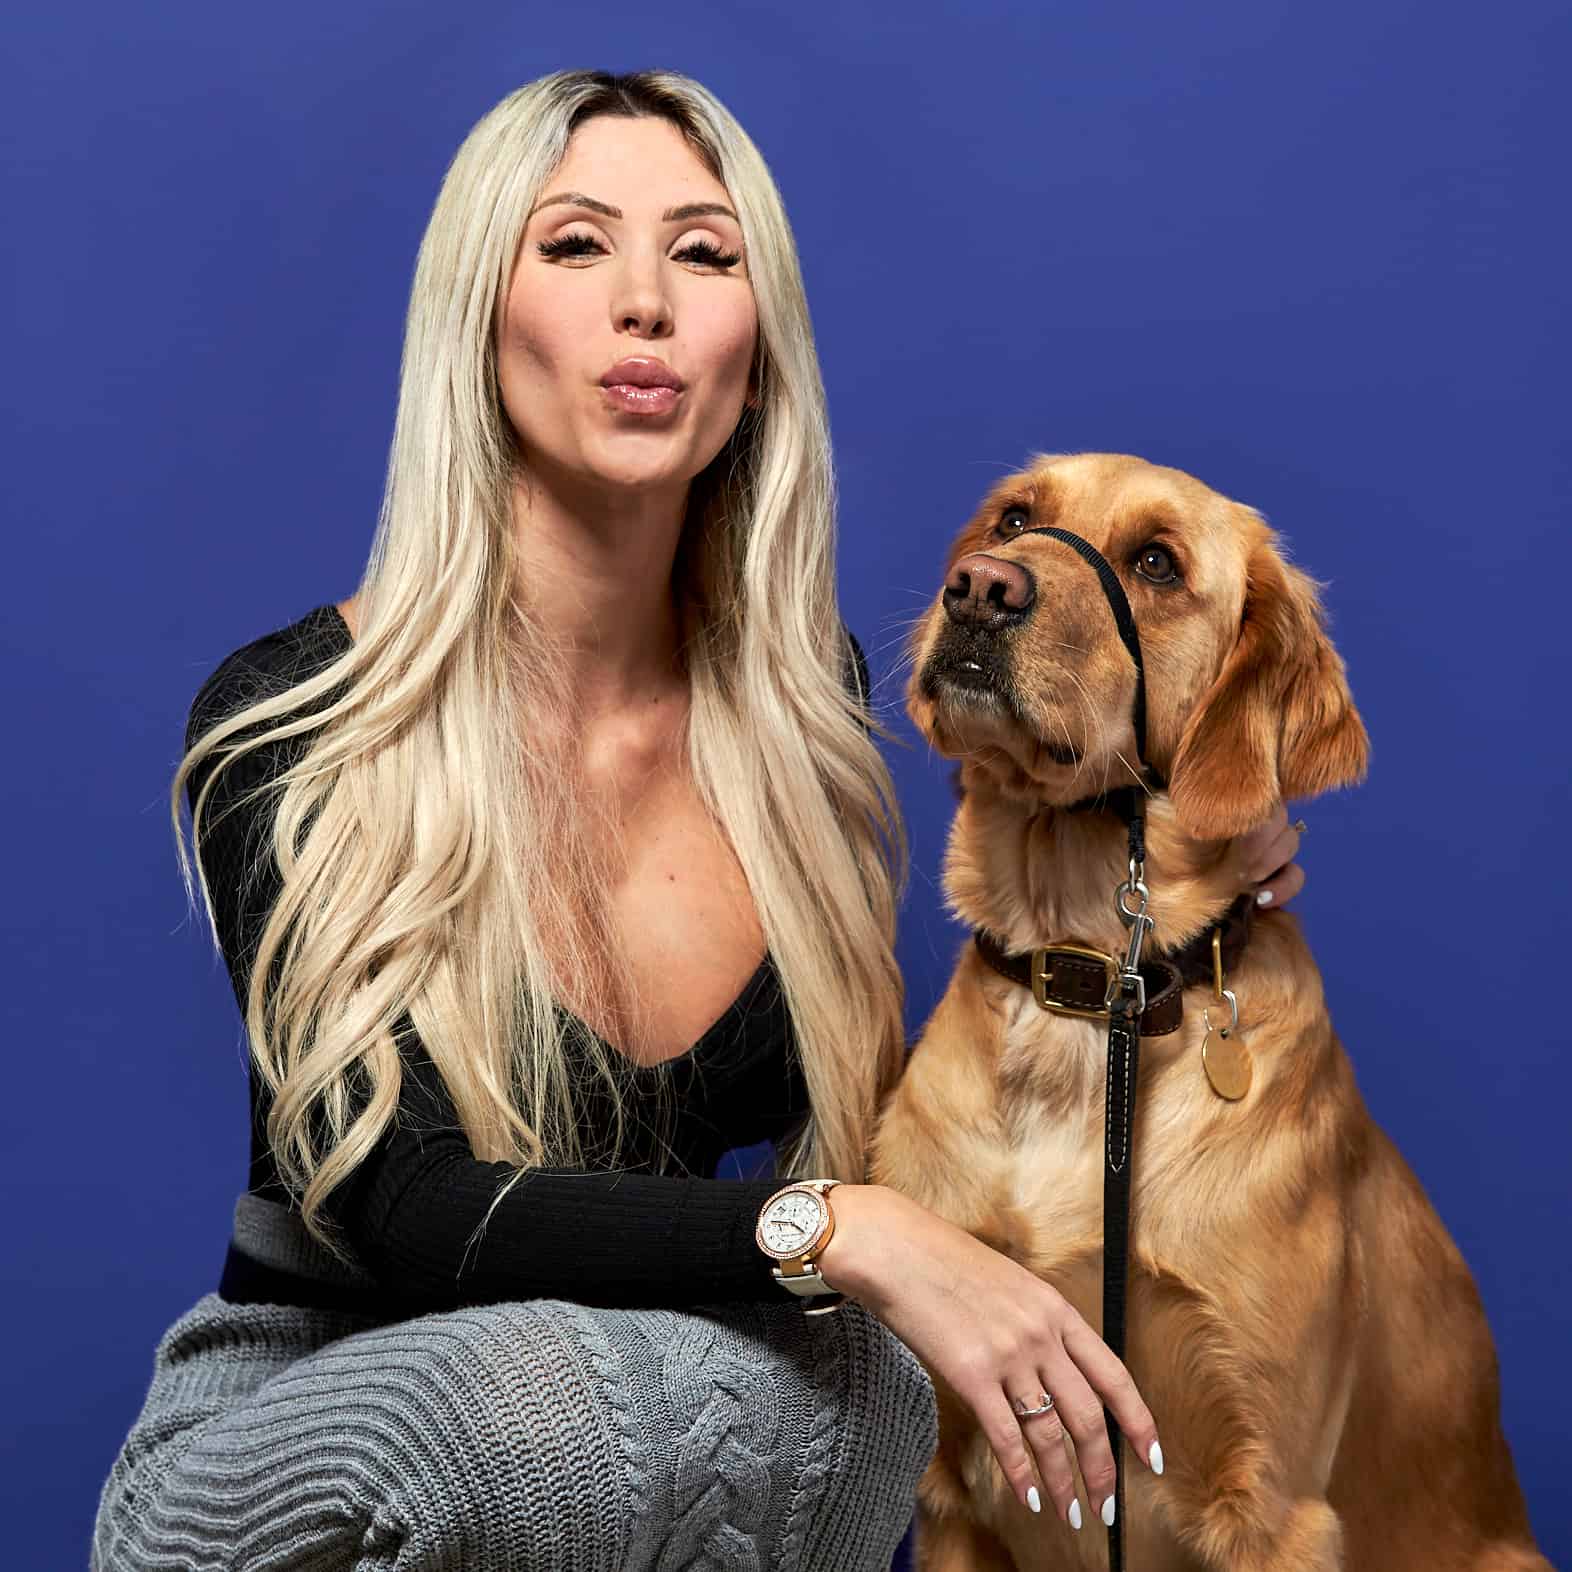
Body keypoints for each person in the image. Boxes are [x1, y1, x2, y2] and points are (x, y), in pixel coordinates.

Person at [90, 68, 1306, 1571]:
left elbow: (937, 1054)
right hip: (302, 1443)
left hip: (639, 1421)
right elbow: (405, 1206)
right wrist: (839, 1231)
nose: (646, 303)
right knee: (552, 1394)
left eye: (704, 254)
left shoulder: (802, 722)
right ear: (478, 315)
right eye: (575, 244)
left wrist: (1194, 859)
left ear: (757, 347)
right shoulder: (295, 718)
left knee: (871, 1386)